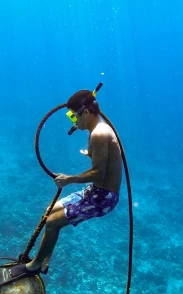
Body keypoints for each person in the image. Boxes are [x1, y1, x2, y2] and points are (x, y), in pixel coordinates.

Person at [24, 89, 122, 274]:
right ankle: (45, 259)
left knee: (52, 223)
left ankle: (35, 264)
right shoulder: (97, 129)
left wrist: (70, 179)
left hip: (103, 198)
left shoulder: (99, 134)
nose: (73, 122)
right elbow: (106, 163)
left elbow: (99, 174)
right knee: (50, 212)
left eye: (73, 116)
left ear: (85, 112)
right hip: (96, 191)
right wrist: (92, 154)